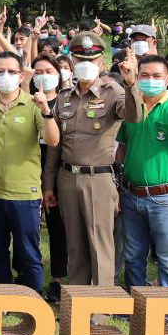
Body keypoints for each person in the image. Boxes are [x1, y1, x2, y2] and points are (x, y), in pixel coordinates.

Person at [43, 32, 130, 301]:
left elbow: (134, 116)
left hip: (99, 178)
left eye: (91, 58)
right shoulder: (64, 97)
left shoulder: (114, 92)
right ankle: (78, 304)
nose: (85, 62)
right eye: (79, 57)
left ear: (101, 62)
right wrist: (49, 183)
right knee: (76, 246)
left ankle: (101, 310)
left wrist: (132, 83)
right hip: (67, 177)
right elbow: (56, 145)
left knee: (100, 245)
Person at [114, 54, 168, 298]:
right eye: (145, 76)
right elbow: (122, 148)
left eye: (157, 76)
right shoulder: (134, 107)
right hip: (131, 194)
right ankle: (136, 305)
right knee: (133, 255)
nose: (150, 80)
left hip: (164, 197)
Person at [0, 52, 59, 295]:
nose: (6, 76)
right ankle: (4, 297)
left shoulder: (33, 104)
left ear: (22, 76)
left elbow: (53, 140)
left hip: (25, 192)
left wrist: (46, 110)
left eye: (12, 72)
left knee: (28, 251)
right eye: (0, 72)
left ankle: (33, 299)